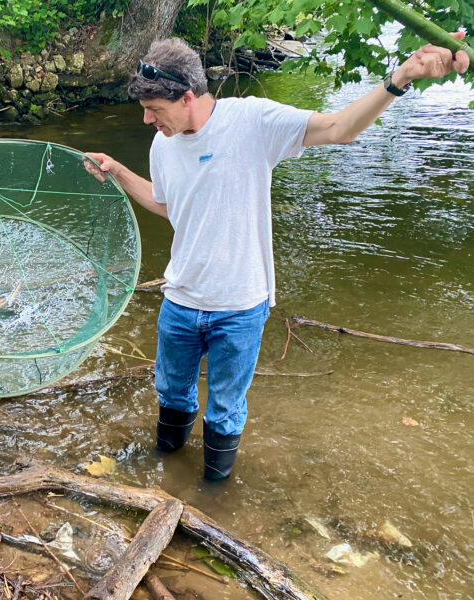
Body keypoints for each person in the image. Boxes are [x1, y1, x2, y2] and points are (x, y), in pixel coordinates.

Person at [84, 35, 469, 480]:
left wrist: (401, 77)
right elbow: (168, 204)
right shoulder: (163, 144)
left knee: (225, 409)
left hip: (240, 307)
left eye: (155, 110)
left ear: (187, 97)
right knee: (171, 393)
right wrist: (116, 169)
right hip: (180, 300)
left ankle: (212, 498)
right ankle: (165, 472)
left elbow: (340, 129)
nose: (149, 120)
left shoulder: (252, 121)